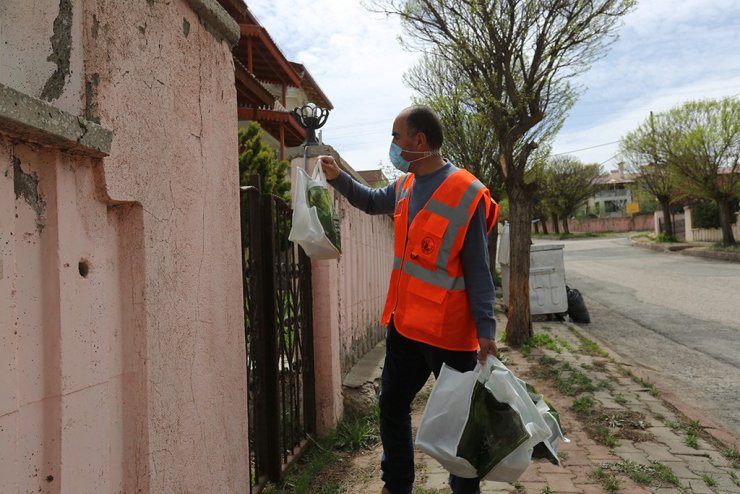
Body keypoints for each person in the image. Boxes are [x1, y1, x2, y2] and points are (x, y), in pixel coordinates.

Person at [318, 105, 499, 494]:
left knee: (457, 424)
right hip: (406, 326)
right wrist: (337, 178)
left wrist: (486, 329)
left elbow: (479, 270)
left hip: (449, 334)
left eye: (396, 137)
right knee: (392, 405)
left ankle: (465, 490)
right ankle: (397, 484)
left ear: (419, 141)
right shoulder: (403, 187)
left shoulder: (465, 192)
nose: (393, 146)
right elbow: (369, 201)